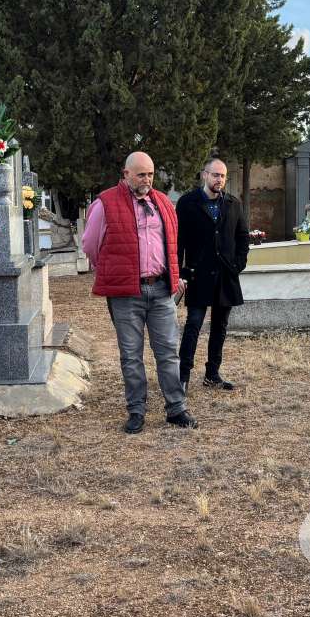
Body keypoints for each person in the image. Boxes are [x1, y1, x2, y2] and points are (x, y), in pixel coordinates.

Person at [82, 151, 198, 434]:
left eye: (150, 174)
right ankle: (136, 411)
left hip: (160, 290)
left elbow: (171, 243)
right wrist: (113, 269)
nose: (146, 180)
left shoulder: (163, 203)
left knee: (168, 352)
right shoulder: (105, 203)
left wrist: (174, 276)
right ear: (126, 174)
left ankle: (176, 408)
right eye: (140, 174)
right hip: (126, 293)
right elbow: (90, 245)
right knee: (131, 356)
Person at [175, 157, 249, 391]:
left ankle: (212, 374)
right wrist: (179, 272)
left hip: (226, 275)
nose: (220, 179)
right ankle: (182, 377)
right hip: (198, 274)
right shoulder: (187, 203)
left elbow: (242, 236)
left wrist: (238, 263)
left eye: (223, 176)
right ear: (204, 175)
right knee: (193, 324)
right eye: (215, 175)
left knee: (220, 326)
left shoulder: (233, 204)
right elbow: (178, 241)